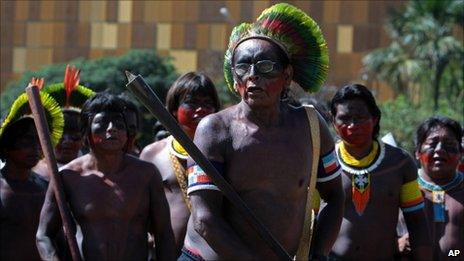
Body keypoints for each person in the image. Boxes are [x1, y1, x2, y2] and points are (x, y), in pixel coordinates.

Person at [181, 3, 345, 260]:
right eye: (243, 67)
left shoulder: (311, 127)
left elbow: (335, 197)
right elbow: (205, 219)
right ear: (235, 79)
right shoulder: (214, 130)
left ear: (287, 75)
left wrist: (319, 253)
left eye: (266, 66)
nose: (253, 76)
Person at [36, 92, 176, 260]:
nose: (112, 128)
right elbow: (44, 235)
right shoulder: (68, 177)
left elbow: (164, 234)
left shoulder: (146, 174)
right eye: (102, 123)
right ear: (86, 132)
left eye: (119, 124)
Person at [329, 84, 431, 260]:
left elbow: (417, 221)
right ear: (333, 122)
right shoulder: (324, 162)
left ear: (375, 118)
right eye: (344, 119)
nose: (353, 125)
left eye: (360, 117)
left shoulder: (400, 163)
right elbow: (310, 219)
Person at [140, 72, 220, 255]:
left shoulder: (227, 153)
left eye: (207, 104)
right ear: (174, 109)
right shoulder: (153, 154)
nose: (200, 109)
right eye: (191, 103)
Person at [0, 90, 64, 260]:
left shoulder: (46, 187)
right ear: (6, 146)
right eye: (26, 141)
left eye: (38, 140)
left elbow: (58, 238)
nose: (35, 147)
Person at [34, 65, 95, 180]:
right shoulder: (35, 173)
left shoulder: (94, 171)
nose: (67, 141)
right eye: (60, 135)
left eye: (75, 136)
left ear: (84, 139)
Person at [414, 116, 463, 260]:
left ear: (461, 152)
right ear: (417, 152)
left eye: (449, 144)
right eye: (432, 143)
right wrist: (398, 245)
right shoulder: (401, 187)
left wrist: (456, 253)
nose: (440, 150)